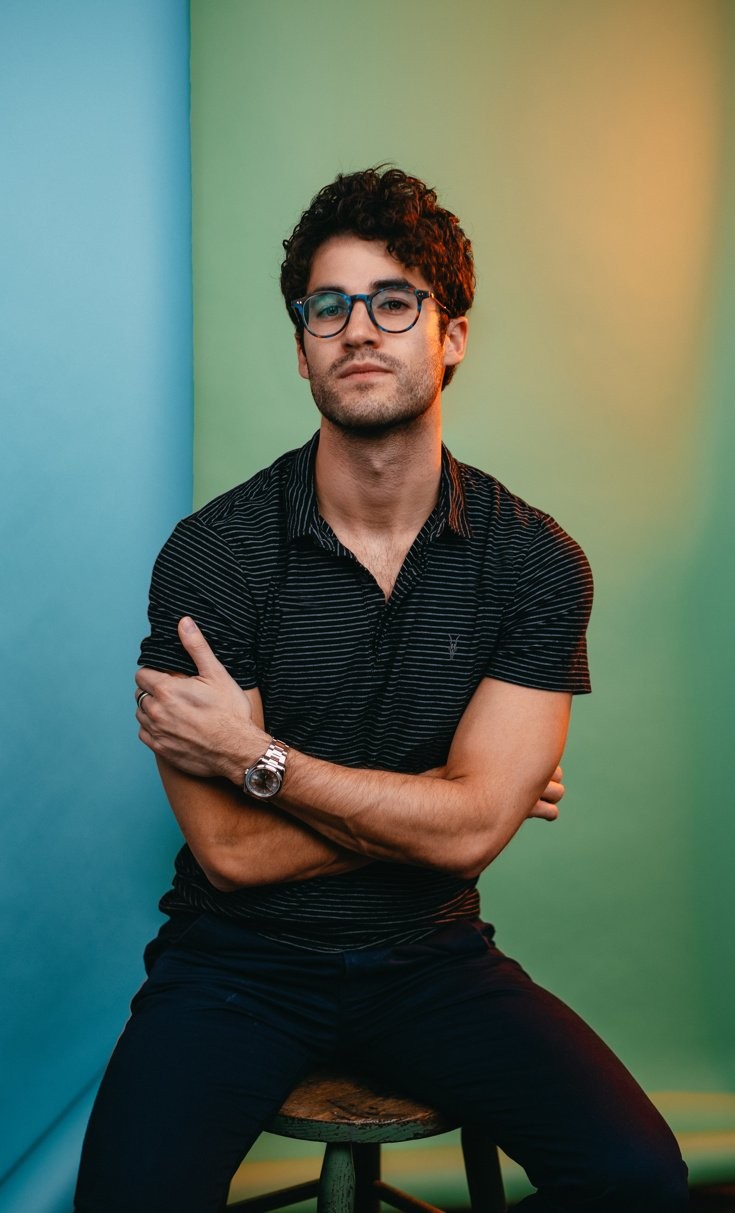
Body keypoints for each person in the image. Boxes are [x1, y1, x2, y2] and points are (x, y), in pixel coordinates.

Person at [75, 167, 688, 1212]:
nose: (358, 328)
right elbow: (232, 852)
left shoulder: (535, 564)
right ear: (302, 346)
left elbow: (461, 838)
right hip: (235, 964)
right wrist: (455, 801)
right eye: (328, 306)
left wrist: (258, 759)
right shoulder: (212, 554)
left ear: (451, 336)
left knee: (637, 1179)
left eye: (394, 301)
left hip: (428, 956)